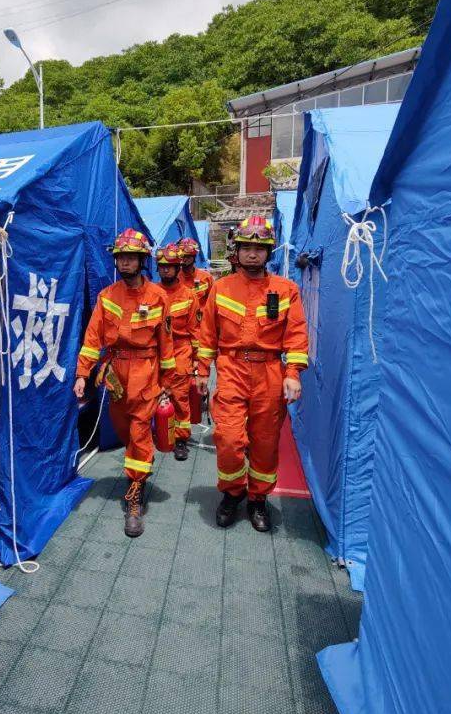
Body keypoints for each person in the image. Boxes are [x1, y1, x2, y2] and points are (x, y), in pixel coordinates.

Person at [195, 216, 309, 532]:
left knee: (265, 442)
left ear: (268, 251)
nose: (252, 254)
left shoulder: (287, 290)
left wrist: (294, 373)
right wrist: (202, 370)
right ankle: (233, 493)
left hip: (271, 372)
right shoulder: (220, 288)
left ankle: (258, 499)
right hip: (231, 369)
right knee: (229, 438)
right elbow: (207, 335)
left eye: (259, 248)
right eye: (246, 247)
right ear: (237, 250)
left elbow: (297, 334)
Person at [74, 229, 176, 538]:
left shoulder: (159, 297)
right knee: (123, 430)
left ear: (143, 260)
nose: (125, 262)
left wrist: (167, 382)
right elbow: (92, 340)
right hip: (115, 374)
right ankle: (138, 469)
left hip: (146, 372)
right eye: (121, 257)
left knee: (138, 432)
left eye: (131, 257)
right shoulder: (107, 297)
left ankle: (135, 494)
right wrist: (82, 374)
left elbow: (166, 344)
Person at [154, 243, 201, 462]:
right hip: (155, 351)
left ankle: (180, 439)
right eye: (162, 266)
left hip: (180, 350)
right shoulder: (151, 293)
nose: (165, 270)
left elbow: (195, 331)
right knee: (152, 393)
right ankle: (157, 431)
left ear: (177, 267)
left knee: (180, 397)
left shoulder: (189, 296)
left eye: (170, 266)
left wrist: (197, 361)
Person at [178, 237, 214, 307]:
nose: (185, 259)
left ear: (194, 257)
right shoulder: (175, 279)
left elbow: (213, 301)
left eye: (188, 256)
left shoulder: (206, 277)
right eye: (183, 256)